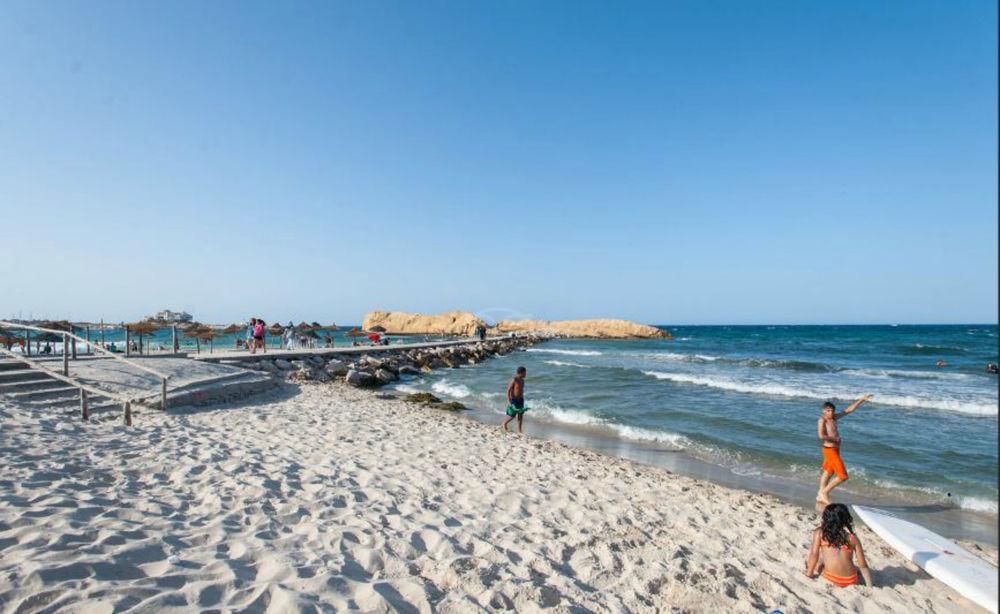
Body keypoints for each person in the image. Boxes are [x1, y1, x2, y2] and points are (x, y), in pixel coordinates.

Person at [817, 395, 871, 504]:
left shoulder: (834, 418)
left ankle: (820, 494)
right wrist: (835, 438)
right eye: (828, 411)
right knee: (842, 476)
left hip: (835, 449)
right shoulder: (822, 420)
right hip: (829, 450)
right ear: (823, 411)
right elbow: (821, 435)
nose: (830, 413)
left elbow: (848, 410)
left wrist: (862, 400)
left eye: (832, 411)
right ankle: (824, 493)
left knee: (828, 472)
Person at [804, 503, 873, 589]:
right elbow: (863, 565)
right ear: (845, 520)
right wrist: (869, 585)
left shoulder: (820, 533)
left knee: (817, 561)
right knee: (857, 569)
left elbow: (814, 555)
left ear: (826, 518)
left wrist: (809, 574)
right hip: (851, 580)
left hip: (833, 578)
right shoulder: (853, 538)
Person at [502, 366, 528, 433]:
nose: (526, 374)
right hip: (514, 400)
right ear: (521, 373)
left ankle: (519, 430)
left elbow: (521, 390)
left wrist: (522, 399)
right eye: (525, 372)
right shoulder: (514, 380)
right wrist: (509, 402)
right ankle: (504, 423)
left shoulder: (522, 380)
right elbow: (508, 391)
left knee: (520, 415)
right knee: (512, 415)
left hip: (521, 400)